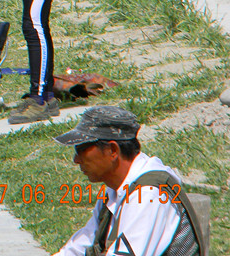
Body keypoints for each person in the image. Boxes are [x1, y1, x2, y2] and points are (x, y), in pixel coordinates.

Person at [53, 106, 204, 256]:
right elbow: (80, 246)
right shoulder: (115, 189)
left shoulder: (149, 194)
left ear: (112, 150)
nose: (76, 160)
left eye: (81, 149)